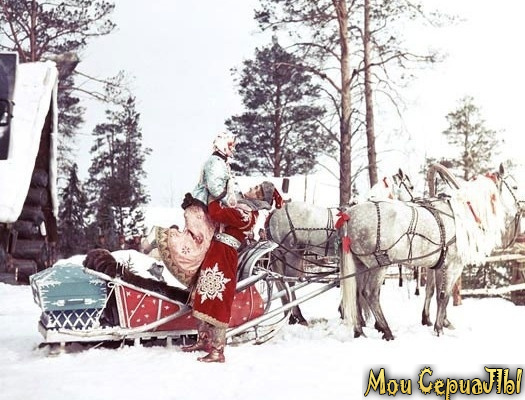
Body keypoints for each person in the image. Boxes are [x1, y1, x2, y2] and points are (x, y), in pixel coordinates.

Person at [182, 181, 282, 363]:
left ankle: (217, 351)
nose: (251, 188)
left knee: (218, 300)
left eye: (256, 189)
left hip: (224, 257)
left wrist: (214, 195)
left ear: (260, 198)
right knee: (203, 295)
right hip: (217, 253)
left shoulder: (246, 215)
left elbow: (216, 213)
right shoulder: (241, 208)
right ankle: (204, 340)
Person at [146, 132, 238, 286]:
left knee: (203, 246)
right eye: (231, 145)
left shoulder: (221, 163)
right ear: (223, 145)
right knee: (199, 245)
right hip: (200, 208)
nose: (233, 149)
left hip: (204, 210)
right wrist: (232, 203)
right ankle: (158, 238)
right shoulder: (215, 162)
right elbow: (215, 189)